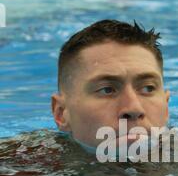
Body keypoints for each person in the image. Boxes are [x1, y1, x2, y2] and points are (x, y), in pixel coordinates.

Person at [51, 19, 170, 155]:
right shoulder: (28, 170)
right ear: (61, 113)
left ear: (166, 108)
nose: (134, 108)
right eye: (107, 90)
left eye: (148, 88)